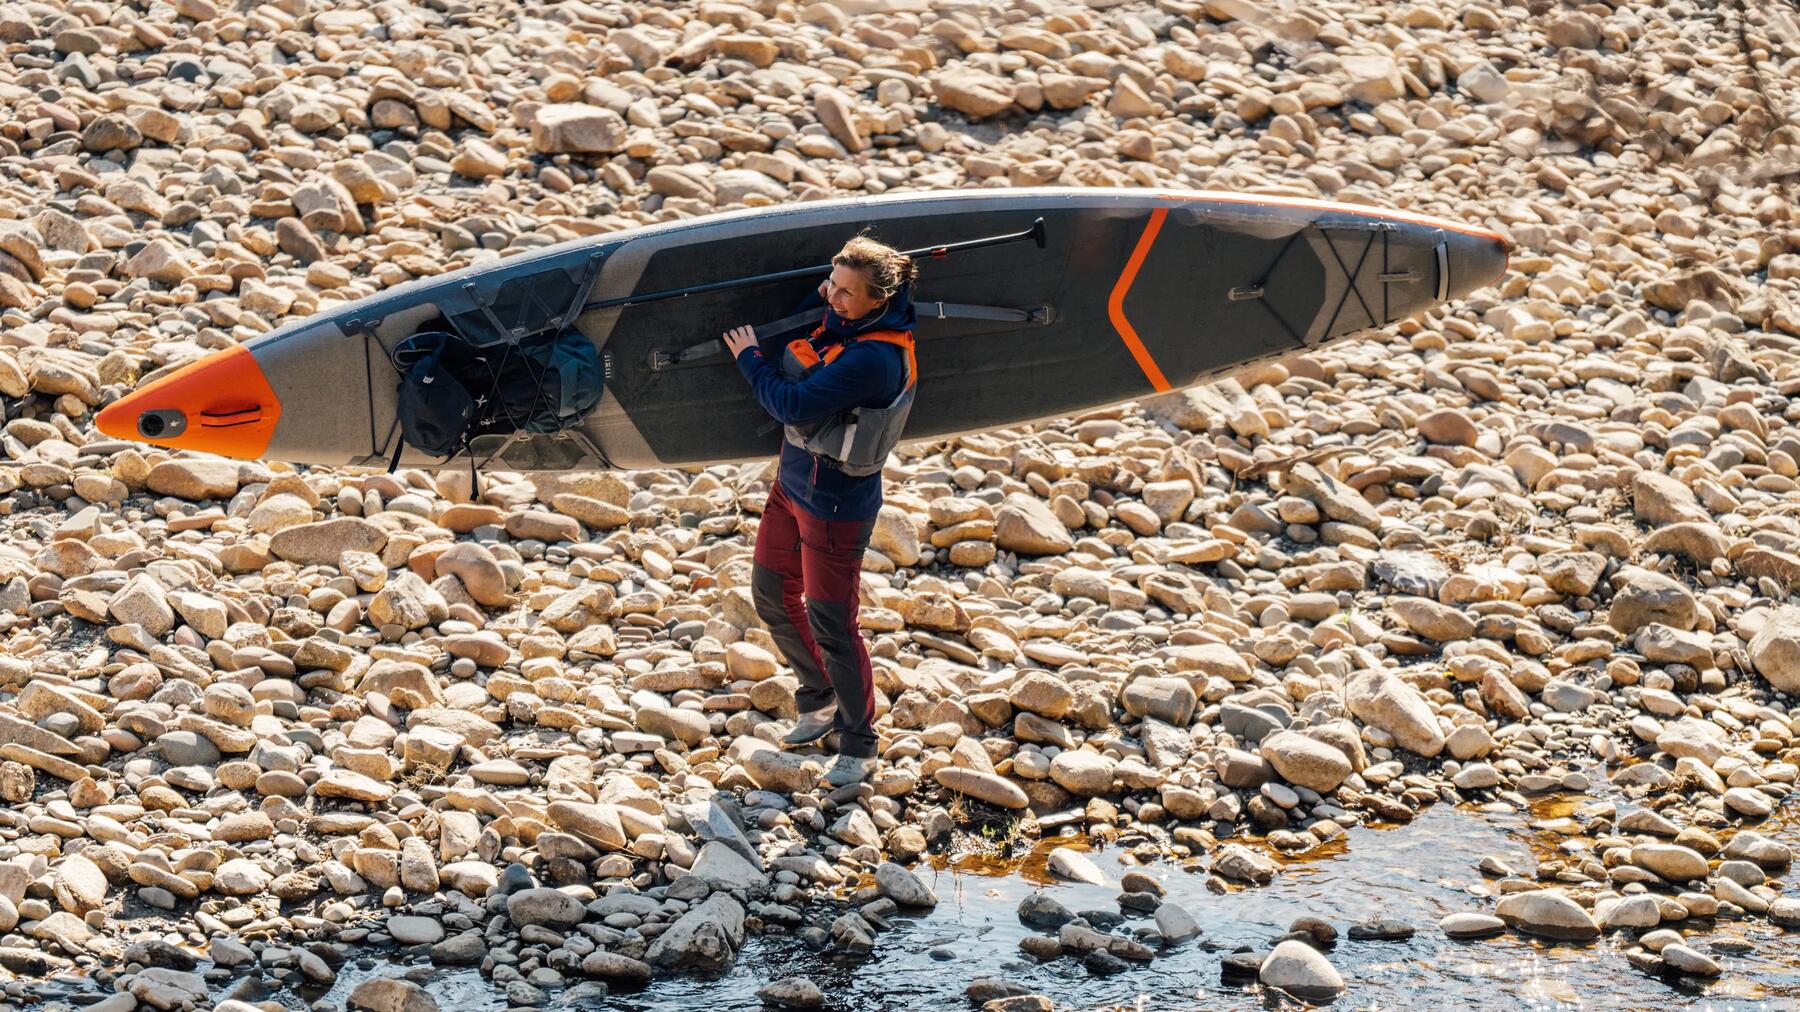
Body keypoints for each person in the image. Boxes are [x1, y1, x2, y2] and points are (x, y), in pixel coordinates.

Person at [721, 236, 919, 787]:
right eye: (831, 284)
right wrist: (834, 294)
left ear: (879, 300)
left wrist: (749, 357)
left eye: (847, 292)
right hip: (792, 484)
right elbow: (830, 316)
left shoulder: (875, 358)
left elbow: (791, 404)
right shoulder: (851, 320)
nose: (832, 297)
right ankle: (819, 697)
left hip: (836, 503)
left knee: (833, 623)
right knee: (770, 594)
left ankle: (859, 743)